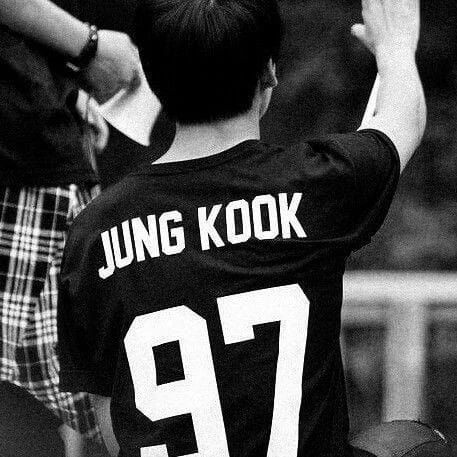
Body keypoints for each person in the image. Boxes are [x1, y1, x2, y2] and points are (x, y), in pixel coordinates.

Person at [57, 0, 426, 456]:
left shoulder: (94, 231)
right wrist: (396, 47)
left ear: (151, 78)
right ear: (269, 73)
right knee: (412, 443)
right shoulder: (314, 184)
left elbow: (111, 418)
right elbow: (399, 123)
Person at [0, 0, 140, 455]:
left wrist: (61, 85)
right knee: (108, 401)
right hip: (24, 166)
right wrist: (91, 46)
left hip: (34, 146)